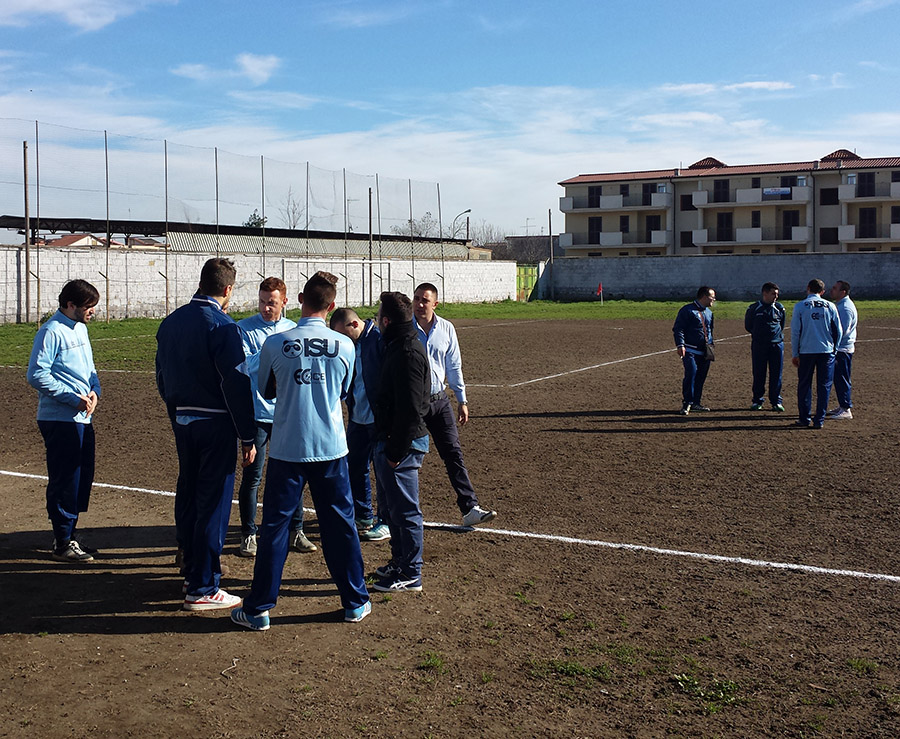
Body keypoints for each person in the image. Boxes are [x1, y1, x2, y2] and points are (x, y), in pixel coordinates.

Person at [231, 271, 370, 630]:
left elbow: (265, 390)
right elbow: (343, 391)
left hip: (288, 448)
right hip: (331, 447)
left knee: (274, 528)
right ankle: (355, 601)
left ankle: (259, 608)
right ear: (332, 306)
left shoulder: (276, 344)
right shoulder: (346, 345)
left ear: (299, 301)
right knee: (341, 525)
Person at [156, 257, 257, 611]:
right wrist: (248, 435)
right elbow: (236, 382)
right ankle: (203, 586)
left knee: (188, 490)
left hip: (183, 421)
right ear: (228, 290)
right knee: (213, 502)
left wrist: (177, 413)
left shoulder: (169, 324)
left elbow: (162, 380)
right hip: (215, 424)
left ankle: (190, 565)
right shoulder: (223, 326)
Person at [236, 278, 317, 557]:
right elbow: (245, 366)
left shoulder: (293, 329)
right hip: (257, 414)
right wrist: (272, 350)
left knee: (293, 475)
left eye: (271, 302)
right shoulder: (244, 329)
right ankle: (249, 534)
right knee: (253, 475)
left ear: (284, 301)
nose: (265, 307)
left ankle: (297, 531)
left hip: (286, 415)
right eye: (261, 301)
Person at [27, 279, 102, 562]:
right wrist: (73, 398)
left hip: (82, 417)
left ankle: (71, 535)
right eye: (88, 306)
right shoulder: (51, 331)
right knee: (65, 478)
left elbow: (90, 369)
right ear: (70, 305)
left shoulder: (80, 328)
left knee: (82, 477)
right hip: (59, 418)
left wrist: (94, 391)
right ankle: (62, 541)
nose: (92, 311)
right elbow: (36, 374)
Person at [412, 283, 497, 527]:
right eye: (416, 298)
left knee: (453, 453)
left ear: (435, 303)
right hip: (413, 404)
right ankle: (390, 514)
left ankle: (470, 508)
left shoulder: (446, 328)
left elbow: (454, 366)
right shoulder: (405, 328)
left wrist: (462, 399)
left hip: (439, 401)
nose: (419, 304)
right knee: (407, 457)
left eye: (424, 300)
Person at [371, 291, 431, 593]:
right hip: (391, 441)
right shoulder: (397, 344)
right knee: (393, 509)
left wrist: (395, 451)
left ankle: (411, 572)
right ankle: (399, 561)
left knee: (406, 511)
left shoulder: (407, 351)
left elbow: (412, 408)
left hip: (402, 446)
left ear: (385, 320)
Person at [329, 307, 390, 542]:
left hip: (378, 419)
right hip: (357, 418)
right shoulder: (350, 345)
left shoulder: (378, 340)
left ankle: (386, 520)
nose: (340, 341)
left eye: (342, 334)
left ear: (354, 325)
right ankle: (364, 515)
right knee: (355, 466)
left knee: (383, 471)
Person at [790, 278, 843, 429]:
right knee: (824, 385)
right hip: (826, 351)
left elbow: (795, 332)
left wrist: (795, 353)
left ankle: (804, 418)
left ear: (808, 288)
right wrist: (835, 348)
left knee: (804, 384)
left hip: (806, 351)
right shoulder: (831, 306)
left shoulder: (800, 306)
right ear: (822, 292)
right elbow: (838, 330)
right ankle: (819, 420)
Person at [673, 286, 717, 415]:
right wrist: (680, 345)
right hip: (690, 350)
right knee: (691, 374)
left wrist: (711, 346)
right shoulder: (687, 310)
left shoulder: (709, 313)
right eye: (712, 296)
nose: (714, 299)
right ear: (704, 296)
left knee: (701, 377)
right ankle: (687, 403)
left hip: (705, 351)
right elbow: (678, 328)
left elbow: (710, 331)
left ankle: (696, 402)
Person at [744, 282, 786, 412]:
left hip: (777, 345)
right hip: (759, 346)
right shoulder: (754, 308)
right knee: (759, 373)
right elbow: (748, 326)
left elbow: (782, 325)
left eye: (777, 294)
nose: (776, 297)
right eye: (773, 294)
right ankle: (757, 400)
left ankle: (776, 401)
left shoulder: (780, 308)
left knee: (776, 374)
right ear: (765, 293)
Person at [828, 280, 858, 420]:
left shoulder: (845, 308)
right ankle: (842, 405)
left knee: (842, 378)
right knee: (839, 378)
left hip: (842, 349)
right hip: (841, 348)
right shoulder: (841, 305)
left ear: (843, 292)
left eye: (835, 288)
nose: (832, 290)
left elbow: (842, 330)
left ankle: (846, 408)